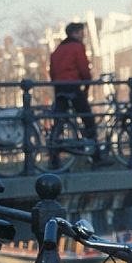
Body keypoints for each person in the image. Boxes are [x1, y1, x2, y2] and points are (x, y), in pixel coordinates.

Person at [49, 22, 109, 167]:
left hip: (59, 89)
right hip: (73, 87)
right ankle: (96, 157)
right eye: (82, 32)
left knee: (59, 122)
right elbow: (83, 69)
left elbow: (52, 72)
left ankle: (54, 159)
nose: (84, 35)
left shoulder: (57, 50)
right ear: (75, 33)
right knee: (88, 119)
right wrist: (87, 84)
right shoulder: (77, 47)